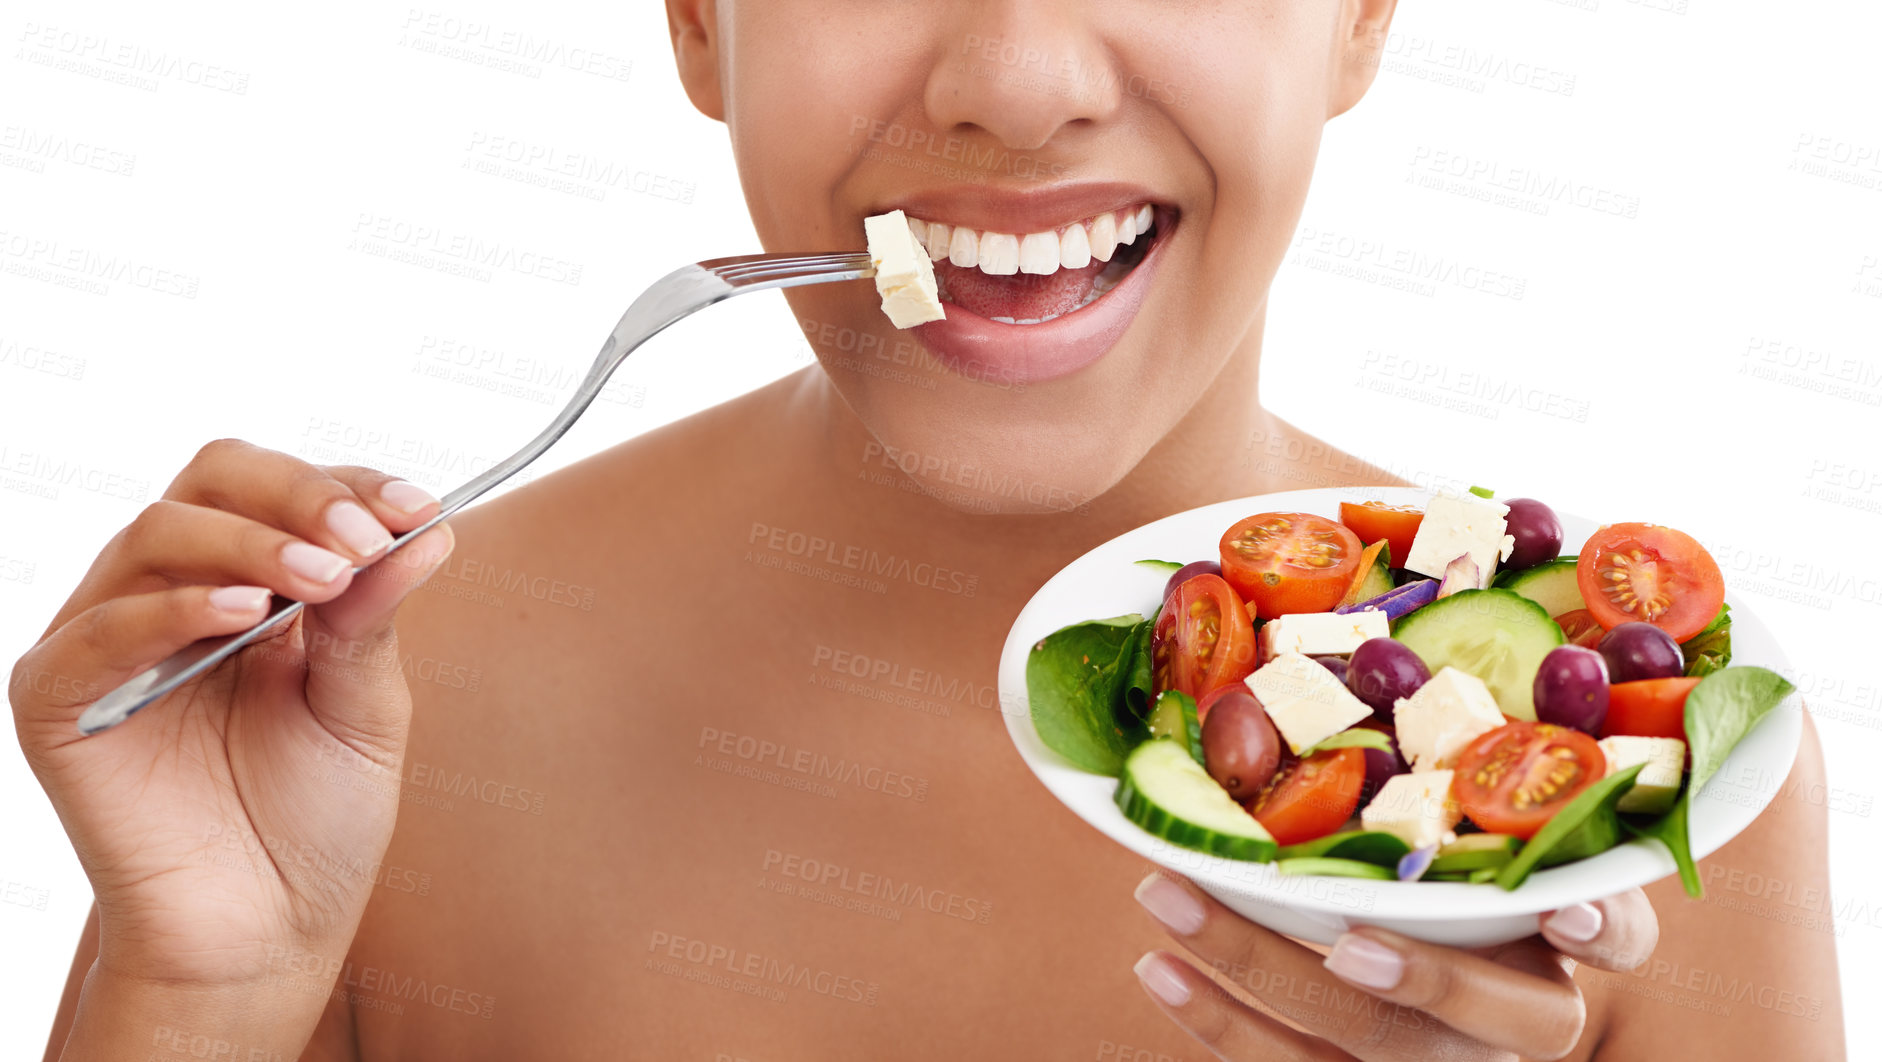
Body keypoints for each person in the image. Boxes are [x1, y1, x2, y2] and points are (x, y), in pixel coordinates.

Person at [16, 1, 1846, 1059]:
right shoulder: (381, 718)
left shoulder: (1662, 763)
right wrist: (193, 994)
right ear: (698, 18)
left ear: (1358, 11)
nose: (1015, 78)